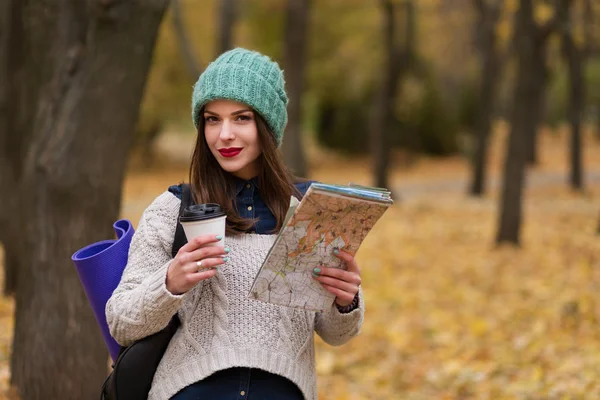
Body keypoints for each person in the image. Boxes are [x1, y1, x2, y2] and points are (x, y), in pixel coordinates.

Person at [106, 48, 364, 400]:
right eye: (212, 119)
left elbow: (336, 333)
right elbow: (121, 323)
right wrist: (171, 282)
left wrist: (345, 301)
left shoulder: (308, 211)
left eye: (241, 118)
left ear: (267, 124)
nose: (224, 134)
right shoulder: (173, 209)